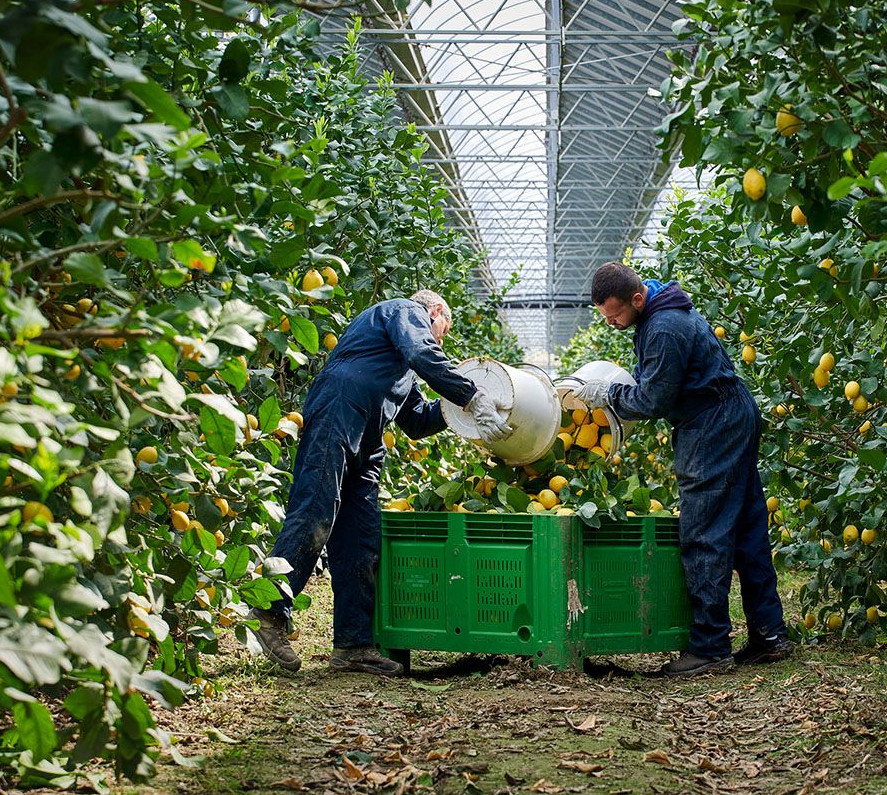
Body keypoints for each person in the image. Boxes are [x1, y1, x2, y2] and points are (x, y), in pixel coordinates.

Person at [251, 290, 511, 676]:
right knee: (316, 511)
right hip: (338, 410)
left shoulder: (402, 368)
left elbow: (416, 422)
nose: (439, 341)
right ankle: (268, 611)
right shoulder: (403, 311)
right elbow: (425, 353)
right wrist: (470, 394)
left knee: (361, 537)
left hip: (369, 438)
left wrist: (456, 407)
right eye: (442, 332)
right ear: (436, 311)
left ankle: (353, 646)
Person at [571, 262, 790, 676]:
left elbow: (653, 399)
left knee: (704, 533)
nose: (612, 322)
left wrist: (609, 394)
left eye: (615, 314)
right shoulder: (660, 311)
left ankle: (709, 647)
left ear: (637, 300)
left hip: (712, 423)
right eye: (605, 316)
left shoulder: (665, 327)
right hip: (728, 414)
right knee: (745, 528)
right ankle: (769, 634)